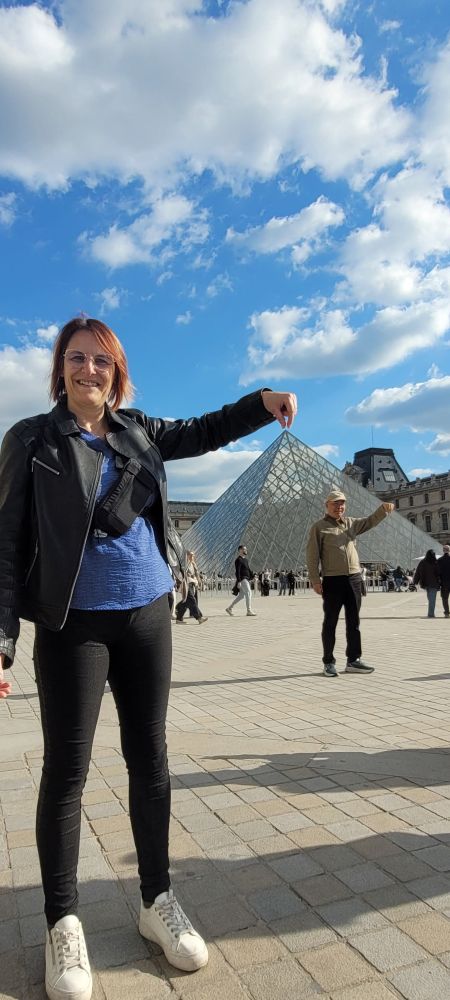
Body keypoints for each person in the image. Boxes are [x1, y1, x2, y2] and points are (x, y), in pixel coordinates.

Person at [0, 315, 297, 1000]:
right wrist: (4, 641)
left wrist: (261, 401)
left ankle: (156, 899)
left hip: (147, 615)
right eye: (75, 360)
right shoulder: (33, 441)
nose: (88, 371)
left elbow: (203, 429)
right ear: (59, 370)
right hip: (73, 625)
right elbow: (7, 547)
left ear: (117, 369)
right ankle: (62, 922)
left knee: (151, 760)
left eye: (100, 361)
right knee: (66, 772)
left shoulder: (139, 430)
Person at [306, 489, 395, 677]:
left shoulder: (351, 523)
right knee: (330, 622)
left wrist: (383, 510)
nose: (339, 507)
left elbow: (370, 521)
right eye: (335, 503)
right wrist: (315, 579)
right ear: (327, 505)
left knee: (354, 622)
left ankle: (353, 660)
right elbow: (312, 556)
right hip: (332, 579)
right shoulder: (319, 527)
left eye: (342, 503)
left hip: (354, 578)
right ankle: (328, 662)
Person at [175, 550, 207, 624]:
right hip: (186, 584)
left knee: (187, 601)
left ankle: (179, 618)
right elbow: (181, 573)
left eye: (193, 555)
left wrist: (199, 583)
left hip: (192, 584)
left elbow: (197, 574)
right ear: (187, 556)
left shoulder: (193, 564)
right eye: (191, 555)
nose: (192, 557)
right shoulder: (184, 564)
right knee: (192, 600)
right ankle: (199, 617)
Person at [225, 544, 257, 616]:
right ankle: (249, 610)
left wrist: (253, 576)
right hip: (243, 579)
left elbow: (248, 569)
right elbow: (238, 571)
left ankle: (229, 608)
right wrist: (239, 581)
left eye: (246, 549)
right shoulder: (238, 560)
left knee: (241, 596)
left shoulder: (245, 560)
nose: (246, 550)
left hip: (246, 578)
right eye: (244, 549)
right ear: (240, 550)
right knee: (249, 593)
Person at [413, 549, 441, 618]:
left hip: (425, 583)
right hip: (434, 583)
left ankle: (431, 614)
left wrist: (415, 581)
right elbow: (440, 573)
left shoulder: (422, 562)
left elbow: (418, 572)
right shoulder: (436, 562)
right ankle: (431, 613)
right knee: (431, 598)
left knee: (430, 598)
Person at [438, 544, 450, 618]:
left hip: (444, 583)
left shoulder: (440, 560)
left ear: (443, 550)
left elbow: (438, 572)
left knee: (445, 598)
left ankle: (447, 613)